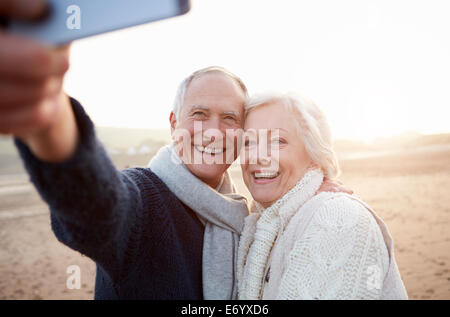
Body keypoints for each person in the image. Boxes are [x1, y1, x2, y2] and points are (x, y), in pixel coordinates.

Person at [0, 0, 350, 299]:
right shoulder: (141, 202)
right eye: (199, 114)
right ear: (173, 124)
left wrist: (309, 190)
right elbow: (93, 203)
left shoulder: (242, 216)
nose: (213, 132)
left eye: (229, 118)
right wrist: (49, 113)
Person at [237, 93, 408, 299]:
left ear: (314, 155)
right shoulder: (263, 224)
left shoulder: (336, 217)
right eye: (248, 143)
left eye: (277, 141)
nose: (257, 156)